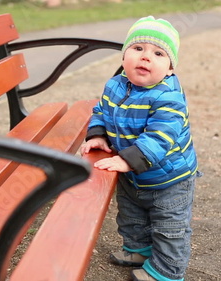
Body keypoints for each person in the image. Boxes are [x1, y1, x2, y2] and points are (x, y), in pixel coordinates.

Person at [80, 16, 199, 281]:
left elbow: (160, 137)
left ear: (169, 69)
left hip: (169, 178)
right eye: (137, 49)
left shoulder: (168, 97)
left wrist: (128, 160)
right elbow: (101, 111)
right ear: (124, 57)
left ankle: (167, 271)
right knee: (132, 215)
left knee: (169, 227)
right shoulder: (115, 85)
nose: (145, 57)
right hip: (133, 173)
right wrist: (98, 135)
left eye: (158, 53)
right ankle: (139, 249)